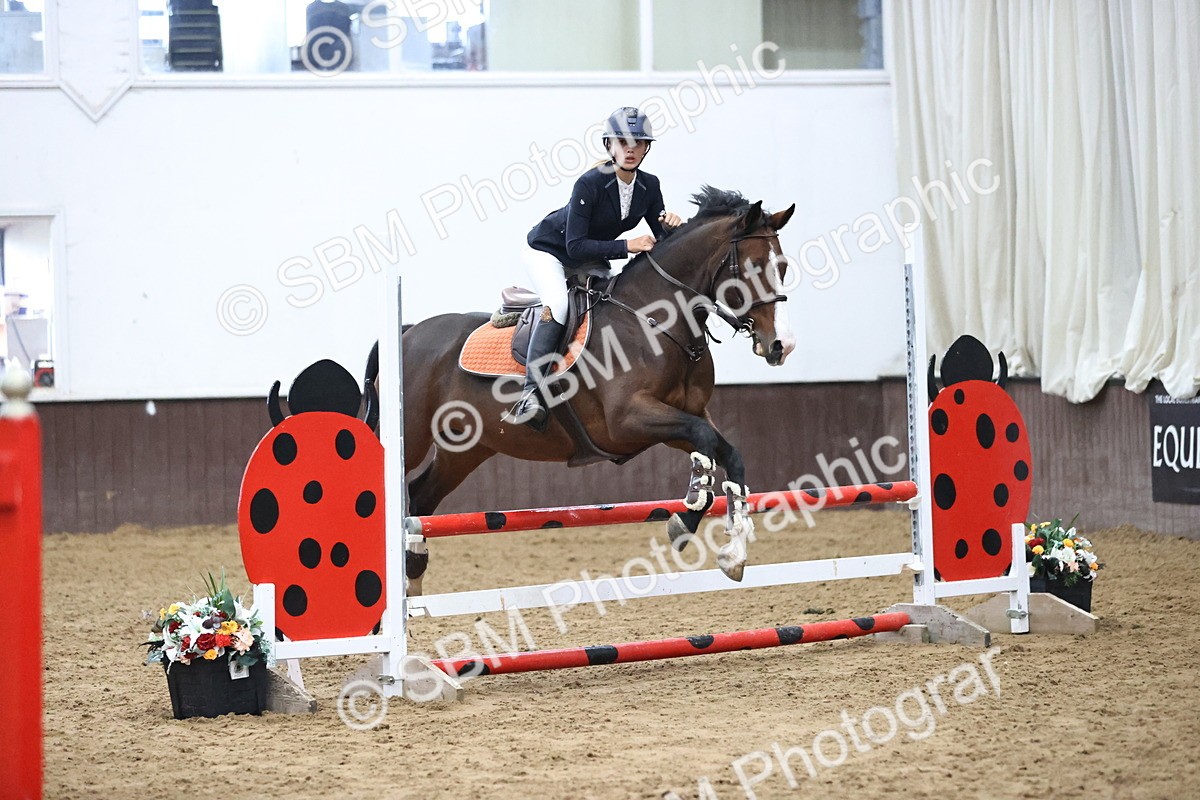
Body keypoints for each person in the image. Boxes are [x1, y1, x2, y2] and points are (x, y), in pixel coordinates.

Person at [507, 107, 683, 430]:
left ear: (646, 148)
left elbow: (661, 242)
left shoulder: (649, 186)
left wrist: (673, 228)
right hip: (549, 251)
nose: (630, 148)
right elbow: (574, 246)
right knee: (558, 304)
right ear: (609, 145)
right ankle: (530, 393)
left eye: (638, 142)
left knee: (611, 303)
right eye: (622, 141)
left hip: (590, 258)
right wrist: (627, 245)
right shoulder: (589, 184)